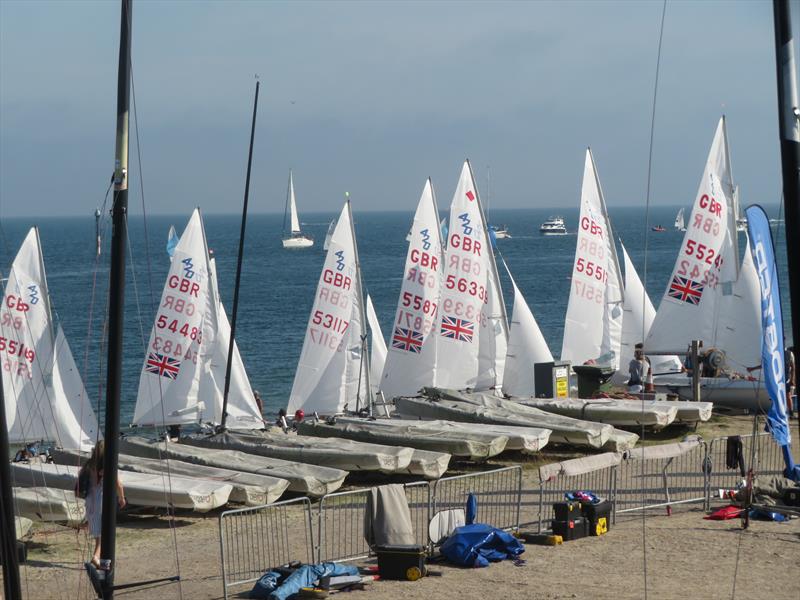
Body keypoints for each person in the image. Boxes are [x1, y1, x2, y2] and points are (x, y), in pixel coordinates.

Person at [78, 440, 125, 569]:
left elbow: (80, 480)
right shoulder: (107, 465)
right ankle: (96, 557)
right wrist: (121, 498)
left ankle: (97, 556)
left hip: (90, 499)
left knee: (99, 531)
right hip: (102, 499)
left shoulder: (88, 464)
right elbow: (118, 484)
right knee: (104, 531)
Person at [787, 346, 796, 417]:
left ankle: (791, 413)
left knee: (789, 396)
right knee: (789, 396)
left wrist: (792, 380)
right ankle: (790, 412)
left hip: (789, 379)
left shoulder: (790, 354)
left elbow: (793, 368)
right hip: (788, 379)